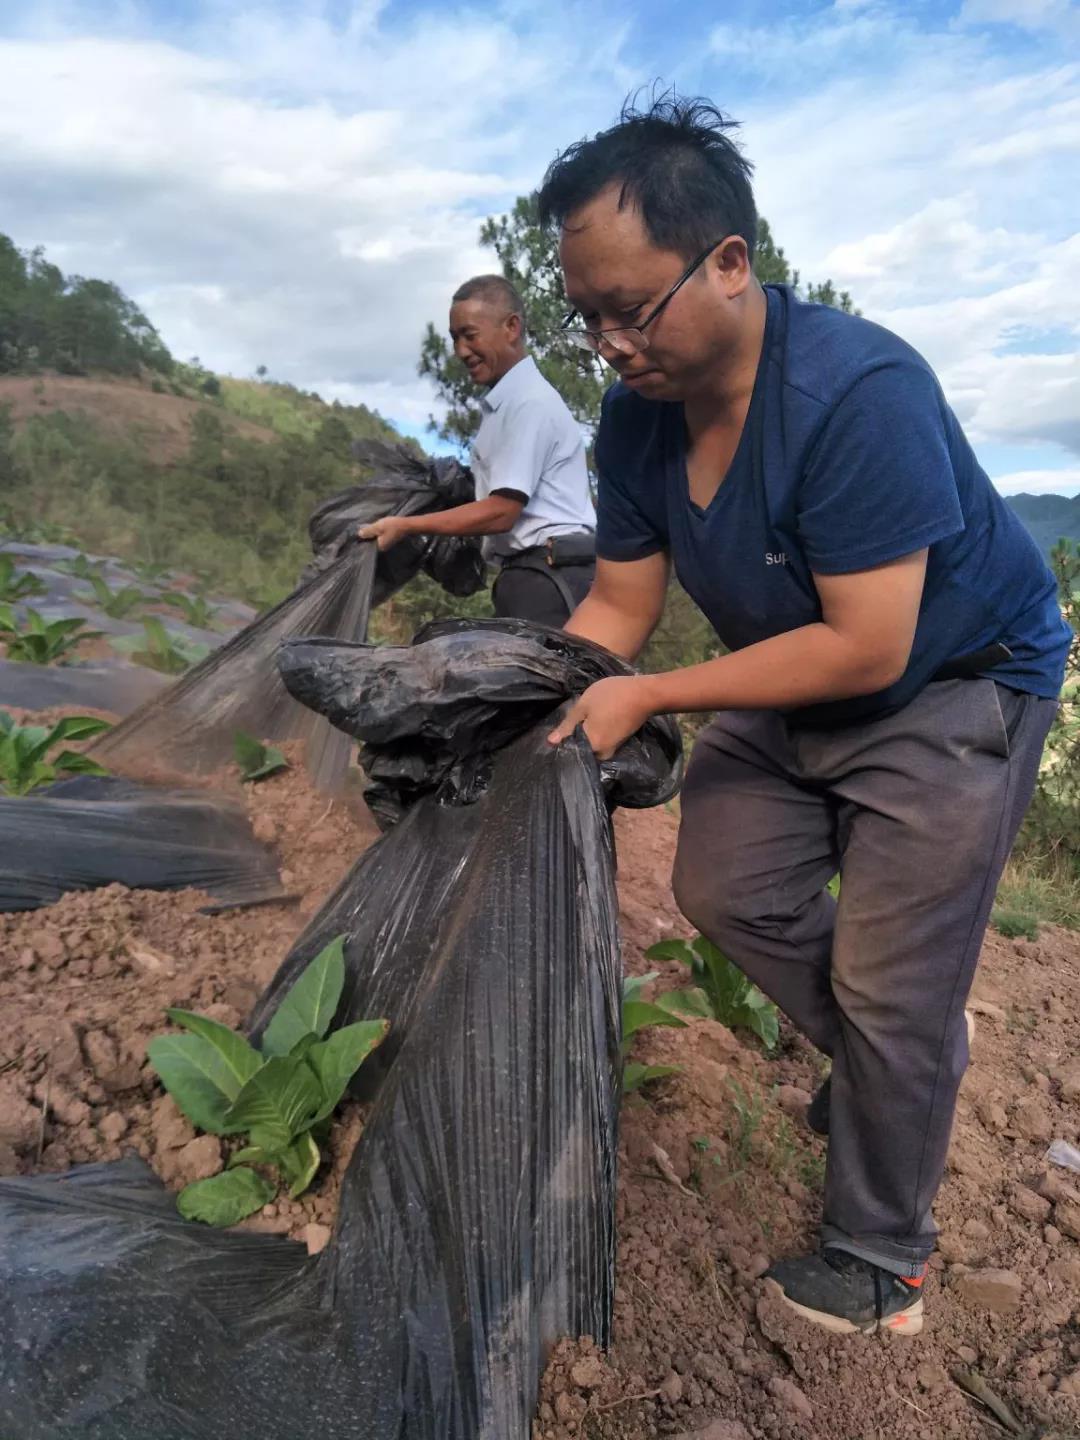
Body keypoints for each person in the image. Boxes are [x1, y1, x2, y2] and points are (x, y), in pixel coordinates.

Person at [539, 95, 1069, 1336]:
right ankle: (914, 1060)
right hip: (799, 672)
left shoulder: (854, 391)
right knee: (725, 887)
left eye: (634, 307)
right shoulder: (637, 421)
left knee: (894, 988)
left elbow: (871, 641)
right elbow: (618, 603)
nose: (611, 342)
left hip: (954, 685)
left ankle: (883, 1263)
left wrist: (659, 694)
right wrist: (528, 699)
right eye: (588, 315)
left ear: (730, 261)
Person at [359, 274, 597, 626]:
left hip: (551, 579)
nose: (460, 351)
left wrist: (407, 525)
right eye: (455, 339)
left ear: (511, 327)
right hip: (530, 574)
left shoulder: (528, 403)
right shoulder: (505, 407)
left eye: (470, 336)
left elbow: (502, 511)